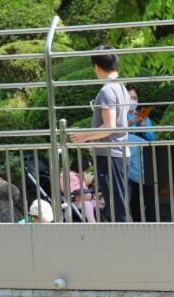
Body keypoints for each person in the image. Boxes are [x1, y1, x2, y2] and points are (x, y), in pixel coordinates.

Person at [69, 46, 131, 222]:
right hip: (119, 152)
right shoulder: (121, 88)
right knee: (118, 203)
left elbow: (109, 125)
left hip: (109, 154)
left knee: (117, 207)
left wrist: (84, 137)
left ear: (96, 67)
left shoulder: (107, 90)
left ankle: (124, 244)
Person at [126, 85, 157, 221]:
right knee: (133, 194)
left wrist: (144, 127)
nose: (132, 101)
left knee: (148, 192)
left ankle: (152, 222)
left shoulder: (143, 116)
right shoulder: (120, 115)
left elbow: (152, 137)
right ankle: (136, 221)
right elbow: (116, 130)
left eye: (134, 98)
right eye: (129, 98)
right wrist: (132, 122)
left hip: (144, 160)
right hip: (128, 160)